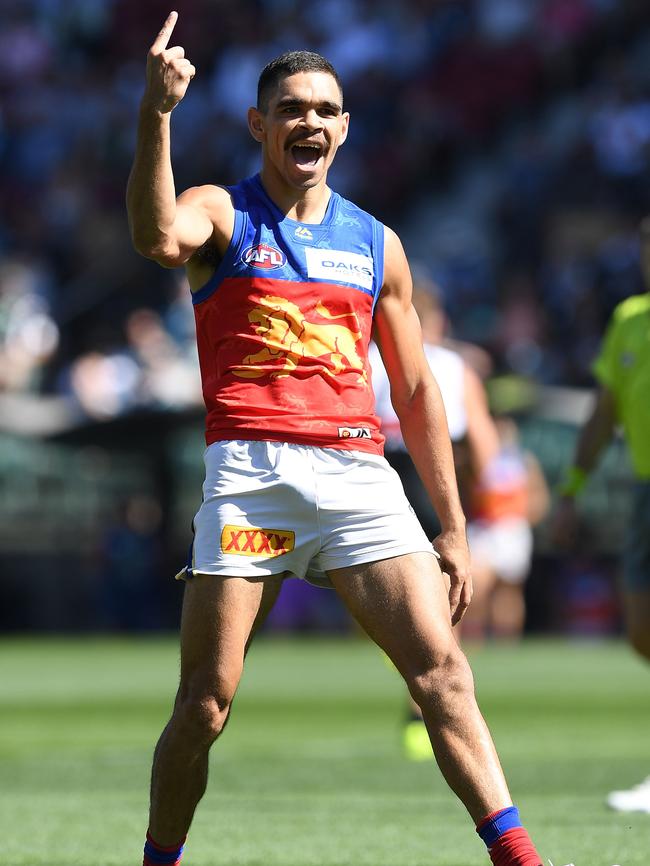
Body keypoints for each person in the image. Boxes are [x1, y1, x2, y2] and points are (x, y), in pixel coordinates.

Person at [127, 12, 546, 865]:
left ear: (344, 126)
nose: (308, 121)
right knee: (207, 702)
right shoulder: (221, 208)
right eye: (289, 108)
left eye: (324, 108)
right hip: (252, 479)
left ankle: (521, 859)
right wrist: (157, 115)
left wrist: (455, 524)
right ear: (260, 125)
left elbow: (420, 388)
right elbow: (155, 236)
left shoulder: (376, 244)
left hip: (359, 476)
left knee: (445, 675)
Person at [554, 217, 650, 815]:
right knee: (641, 632)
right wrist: (572, 488)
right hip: (644, 490)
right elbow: (603, 412)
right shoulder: (630, 318)